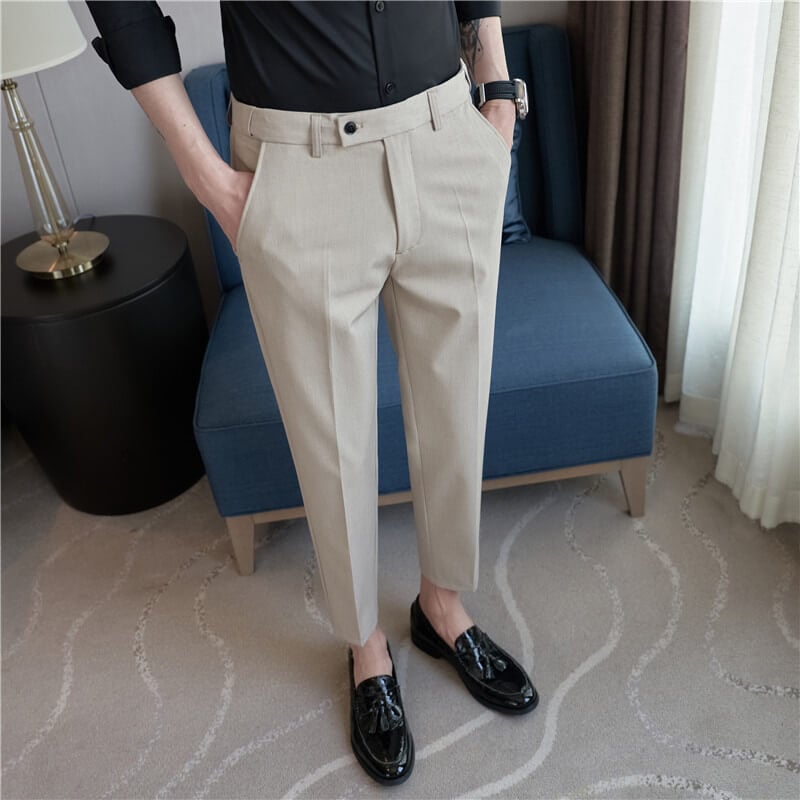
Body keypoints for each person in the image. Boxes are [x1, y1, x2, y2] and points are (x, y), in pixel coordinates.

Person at [86, 0, 538, 786]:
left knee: (458, 409)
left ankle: (442, 607)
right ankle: (366, 649)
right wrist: (206, 177)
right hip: (300, 164)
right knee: (330, 439)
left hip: (447, 135)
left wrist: (496, 88)